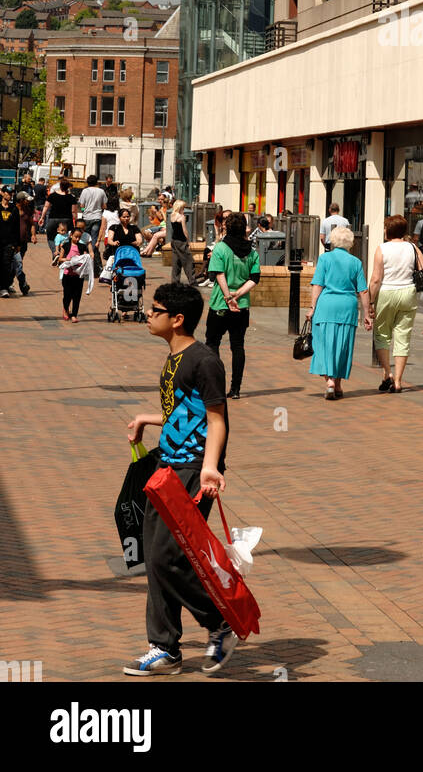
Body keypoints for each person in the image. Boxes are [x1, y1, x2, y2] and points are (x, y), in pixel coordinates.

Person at [124, 283, 235, 677]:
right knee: (155, 557)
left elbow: (216, 418)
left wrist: (210, 467)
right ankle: (165, 649)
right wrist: (147, 419)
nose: (147, 314)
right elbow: (182, 411)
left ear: (177, 319)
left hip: (193, 469)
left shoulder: (204, 361)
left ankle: (220, 620)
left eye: (154, 310)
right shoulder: (175, 357)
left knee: (165, 557)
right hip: (168, 466)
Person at [305, 224, 371, 399]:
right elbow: (363, 290)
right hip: (347, 307)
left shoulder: (325, 259)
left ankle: (330, 382)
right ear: (350, 243)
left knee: (324, 344)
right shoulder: (356, 262)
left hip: (326, 306)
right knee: (343, 345)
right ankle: (339, 384)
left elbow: (318, 285)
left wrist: (312, 308)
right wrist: (367, 314)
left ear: (332, 241)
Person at [368, 215, 423, 393]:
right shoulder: (411, 247)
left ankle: (387, 373)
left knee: (382, 335)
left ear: (388, 230)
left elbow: (376, 279)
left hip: (386, 292)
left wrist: (371, 301)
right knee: (403, 337)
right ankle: (398, 381)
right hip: (407, 293)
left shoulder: (382, 249)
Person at [205, 211, 261, 400]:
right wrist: (239, 294)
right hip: (241, 306)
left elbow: (218, 274)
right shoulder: (252, 252)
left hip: (221, 303)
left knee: (212, 343)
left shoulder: (220, 249)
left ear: (227, 228)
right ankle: (235, 388)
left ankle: (216, 384)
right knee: (238, 346)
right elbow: (254, 279)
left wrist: (229, 296)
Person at [59, 226, 94, 321]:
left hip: (78, 276)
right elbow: (60, 259)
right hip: (67, 275)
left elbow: (85, 258)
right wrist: (68, 260)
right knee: (67, 295)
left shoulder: (82, 247)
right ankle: (65, 309)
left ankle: (74, 315)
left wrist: (85, 259)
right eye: (75, 237)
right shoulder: (65, 245)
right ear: (71, 235)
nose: (77, 239)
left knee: (77, 296)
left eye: (79, 237)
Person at [78, 174, 107, 273]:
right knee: (94, 241)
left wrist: (83, 210)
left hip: (86, 217)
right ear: (96, 182)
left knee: (85, 239)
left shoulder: (85, 191)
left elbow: (81, 205)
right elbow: (104, 205)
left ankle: (88, 263)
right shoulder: (101, 191)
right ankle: (96, 265)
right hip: (97, 217)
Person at [11, 192, 36, 294]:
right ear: (21, 200)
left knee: (17, 263)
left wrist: (33, 235)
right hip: (12, 242)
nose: (28, 201)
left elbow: (32, 224)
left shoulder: (28, 210)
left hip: (23, 242)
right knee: (16, 264)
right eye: (26, 200)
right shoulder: (12, 209)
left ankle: (11, 283)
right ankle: (22, 285)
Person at [168, 199, 197, 286]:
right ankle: (192, 280)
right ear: (180, 207)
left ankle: (175, 281)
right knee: (188, 261)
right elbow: (184, 230)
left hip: (174, 240)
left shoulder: (172, 215)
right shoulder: (181, 217)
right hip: (181, 241)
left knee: (176, 262)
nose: (184, 210)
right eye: (183, 208)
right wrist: (188, 240)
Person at [42, 177, 77, 247]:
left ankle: (55, 252)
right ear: (68, 187)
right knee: (67, 237)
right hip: (67, 219)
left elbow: (46, 207)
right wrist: (75, 221)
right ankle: (63, 252)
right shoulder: (71, 197)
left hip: (53, 219)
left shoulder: (52, 196)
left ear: (60, 186)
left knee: (50, 237)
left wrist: (42, 217)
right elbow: (73, 211)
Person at [0, 185, 20, 296]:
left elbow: (17, 227)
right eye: (7, 192)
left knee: (6, 265)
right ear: (2, 193)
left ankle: (4, 287)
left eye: (11, 193)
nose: (9, 194)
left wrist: (17, 244)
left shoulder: (14, 208)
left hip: (9, 242)